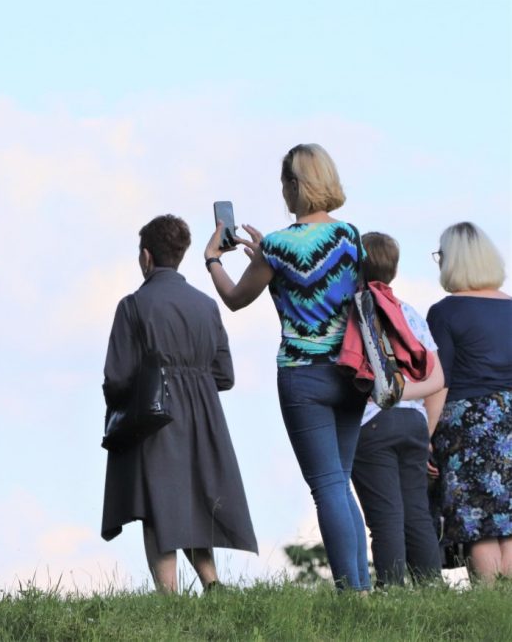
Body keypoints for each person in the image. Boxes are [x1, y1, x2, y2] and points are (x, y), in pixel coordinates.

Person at [203, 143, 370, 591]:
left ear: (296, 185)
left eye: (284, 183)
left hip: (303, 374)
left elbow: (236, 298)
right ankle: (364, 589)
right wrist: (268, 255)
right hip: (353, 372)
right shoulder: (350, 236)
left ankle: (351, 594)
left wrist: (213, 260)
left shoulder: (276, 246)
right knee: (342, 481)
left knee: (327, 485)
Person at [101, 214, 257, 593]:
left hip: (157, 417)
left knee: (158, 504)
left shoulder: (133, 306)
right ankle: (212, 582)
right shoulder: (206, 305)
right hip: (204, 415)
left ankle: (168, 597)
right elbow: (226, 375)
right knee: (193, 501)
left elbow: (117, 377)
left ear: (146, 257)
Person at [349, 232, 444, 588]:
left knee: (386, 517)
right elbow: (439, 376)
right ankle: (431, 588)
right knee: (416, 512)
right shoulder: (409, 313)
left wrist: (387, 395)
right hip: (414, 422)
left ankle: (392, 592)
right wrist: (415, 409)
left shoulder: (353, 311)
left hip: (373, 424)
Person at [426, 221, 512, 584]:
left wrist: (424, 438)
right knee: (507, 518)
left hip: (468, 422)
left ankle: (489, 602)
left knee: (478, 522)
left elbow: (438, 382)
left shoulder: (445, 312)